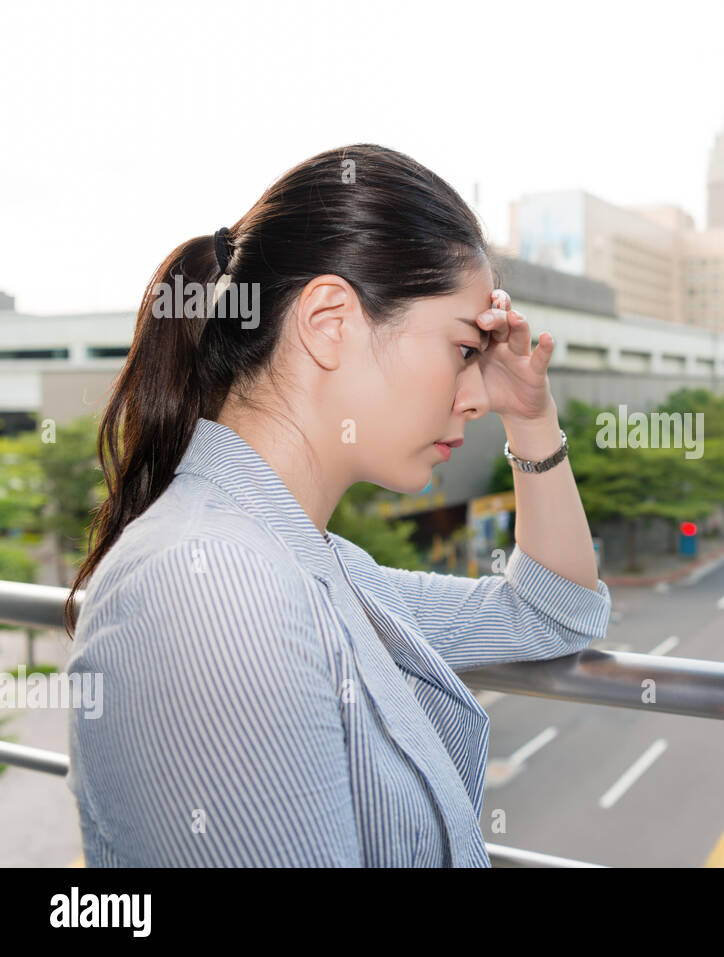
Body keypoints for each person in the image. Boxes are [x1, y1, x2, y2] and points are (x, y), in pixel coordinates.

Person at [63, 144, 612, 866]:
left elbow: (553, 611)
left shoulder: (315, 564)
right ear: (330, 321)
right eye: (460, 348)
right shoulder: (216, 586)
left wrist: (531, 417)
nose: (476, 396)